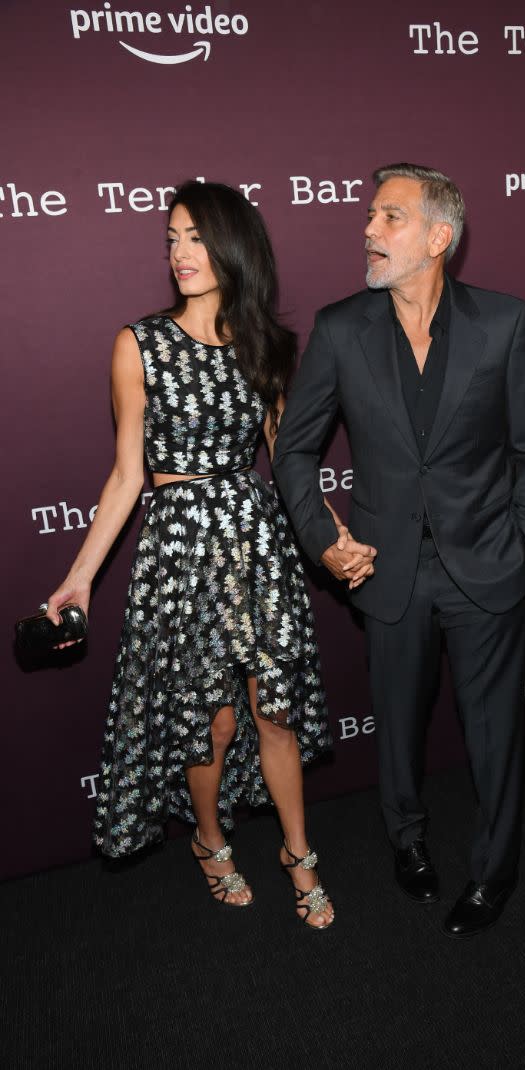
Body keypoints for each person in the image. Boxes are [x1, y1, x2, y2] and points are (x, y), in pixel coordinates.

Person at [46, 181, 373, 928]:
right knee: (212, 721)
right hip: (181, 549)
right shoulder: (139, 343)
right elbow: (128, 476)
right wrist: (79, 579)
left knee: (276, 712)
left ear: (231, 244)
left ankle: (298, 852)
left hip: (255, 543)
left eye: (193, 236)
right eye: (170, 238)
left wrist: (334, 540)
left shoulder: (266, 343)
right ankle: (210, 838)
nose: (179, 252)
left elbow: (289, 465)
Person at [273, 163, 525, 938]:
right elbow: (294, 452)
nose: (367, 229)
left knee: (496, 733)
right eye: (369, 215)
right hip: (384, 569)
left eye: (388, 217)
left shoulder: (503, 322)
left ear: (438, 237)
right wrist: (322, 540)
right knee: (396, 726)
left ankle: (493, 872)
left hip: (486, 568)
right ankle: (406, 841)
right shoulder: (340, 329)